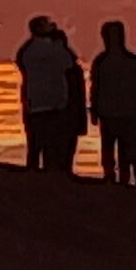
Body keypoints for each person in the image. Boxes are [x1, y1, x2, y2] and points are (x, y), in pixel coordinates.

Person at [14, 15, 78, 171]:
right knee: (51, 146)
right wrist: (61, 43)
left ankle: (34, 174)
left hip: (35, 103)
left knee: (35, 145)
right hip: (53, 104)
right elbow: (69, 61)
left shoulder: (28, 50)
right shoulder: (54, 47)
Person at [90, 21, 136, 186]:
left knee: (124, 148)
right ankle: (110, 175)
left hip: (127, 112)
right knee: (108, 146)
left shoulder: (132, 61)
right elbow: (96, 86)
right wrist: (94, 109)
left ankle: (124, 177)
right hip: (108, 111)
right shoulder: (101, 61)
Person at [57, 29, 88, 174]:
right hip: (68, 113)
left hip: (67, 112)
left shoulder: (69, 65)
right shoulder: (71, 65)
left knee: (64, 148)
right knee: (65, 148)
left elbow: (79, 94)